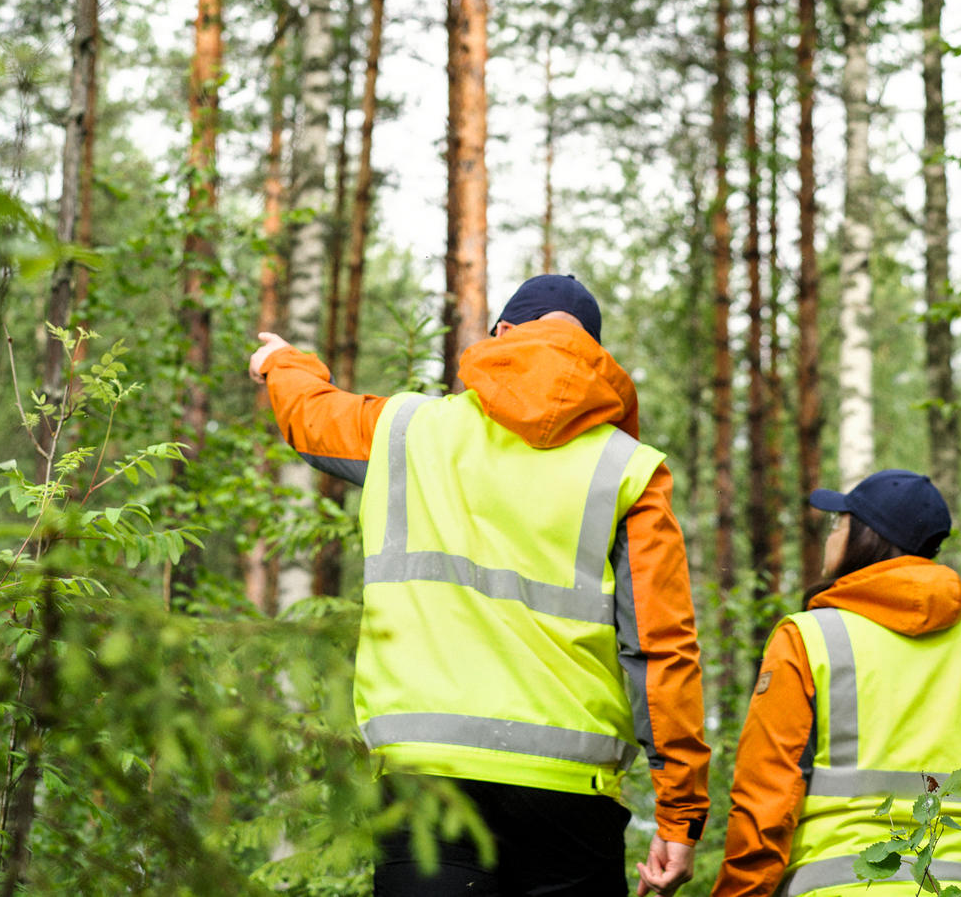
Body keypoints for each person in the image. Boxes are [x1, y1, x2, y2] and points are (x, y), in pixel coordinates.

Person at [249, 274, 710, 897]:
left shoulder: (409, 431)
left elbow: (313, 416)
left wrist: (283, 362)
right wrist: (680, 812)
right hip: (569, 799)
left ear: (502, 336)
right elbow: (661, 648)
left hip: (427, 784)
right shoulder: (627, 469)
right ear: (597, 356)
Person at [711, 471, 961, 897]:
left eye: (839, 523)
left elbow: (765, 806)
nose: (831, 535)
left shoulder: (808, 641)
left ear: (866, 537)